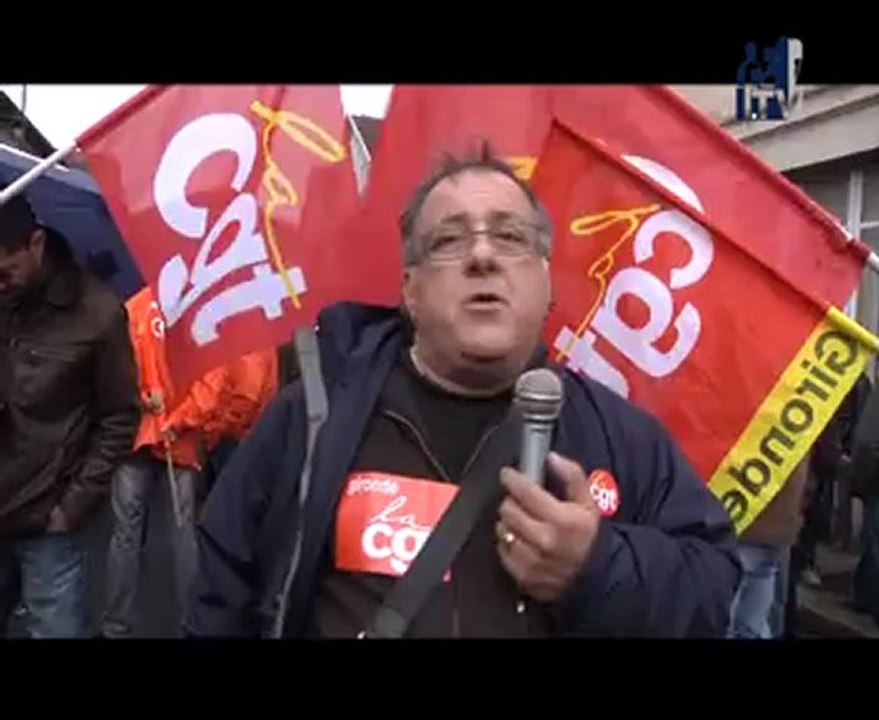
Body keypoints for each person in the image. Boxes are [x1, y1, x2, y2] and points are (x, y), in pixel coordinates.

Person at [184, 149, 741, 638]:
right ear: (412, 291)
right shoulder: (310, 419)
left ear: (546, 282)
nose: (483, 257)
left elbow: (714, 591)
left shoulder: (623, 436)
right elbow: (219, 597)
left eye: (510, 236)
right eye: (449, 239)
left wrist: (597, 566)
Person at [0, 188, 140, 638]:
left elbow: (119, 417)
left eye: (6, 269)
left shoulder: (97, 314)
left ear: (35, 245)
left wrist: (72, 507)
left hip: (46, 522)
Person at [102, 287, 277, 638]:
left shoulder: (136, 306)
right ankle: (189, 619)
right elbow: (214, 380)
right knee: (183, 532)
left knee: (127, 533)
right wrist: (181, 420)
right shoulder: (204, 310)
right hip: (180, 439)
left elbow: (115, 362)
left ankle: (115, 624)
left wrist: (140, 398)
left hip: (140, 431)